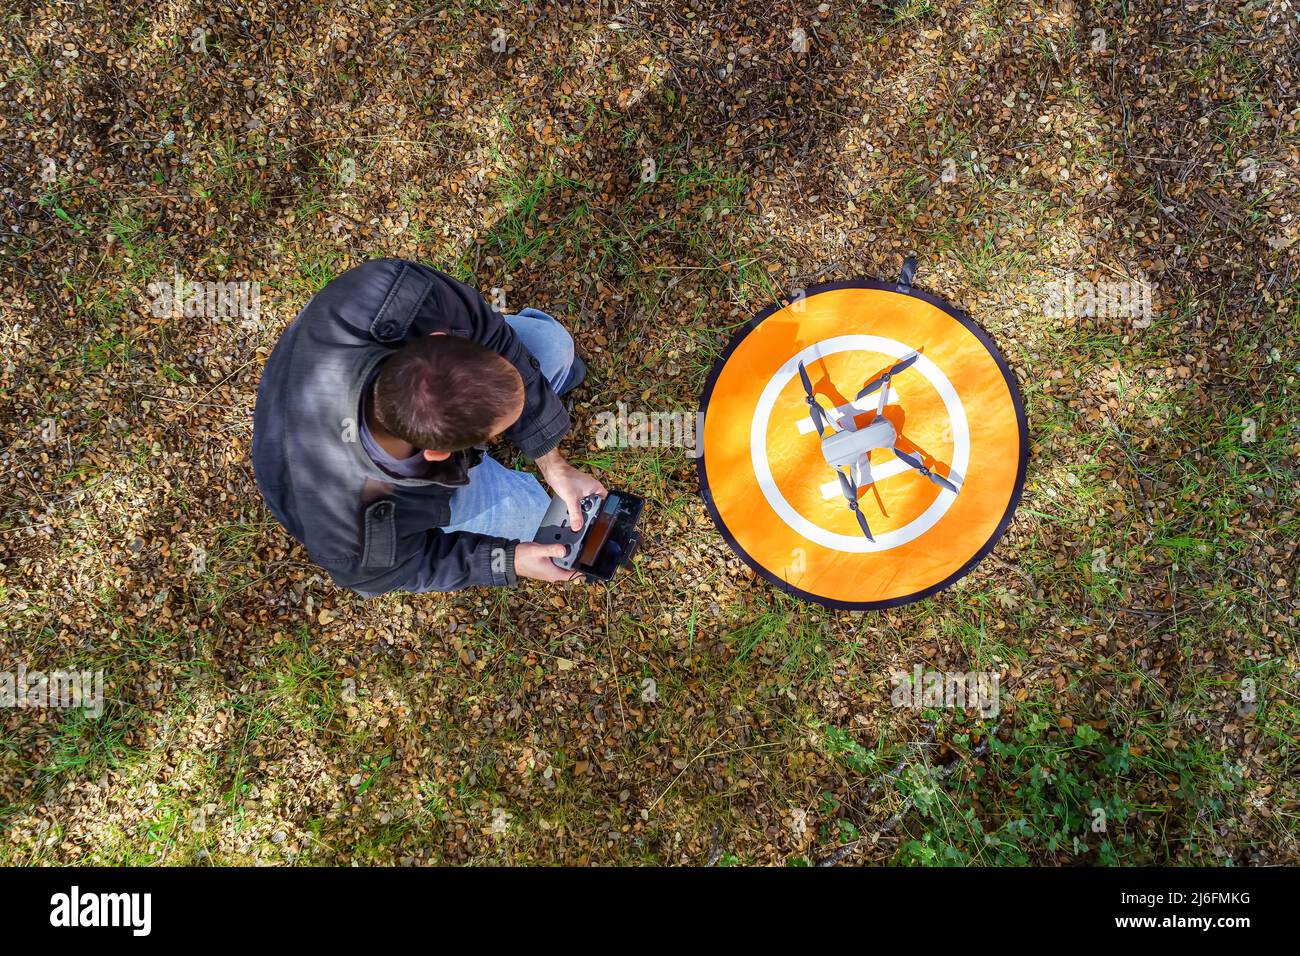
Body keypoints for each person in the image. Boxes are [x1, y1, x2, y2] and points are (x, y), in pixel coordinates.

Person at [252, 258, 605, 595]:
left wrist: (551, 460)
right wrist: (508, 561)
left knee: (553, 346)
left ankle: (533, 403)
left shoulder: (393, 295)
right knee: (533, 517)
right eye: (495, 434)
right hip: (321, 476)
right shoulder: (355, 532)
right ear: (438, 453)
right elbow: (397, 571)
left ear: (438, 338)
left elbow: (492, 334)